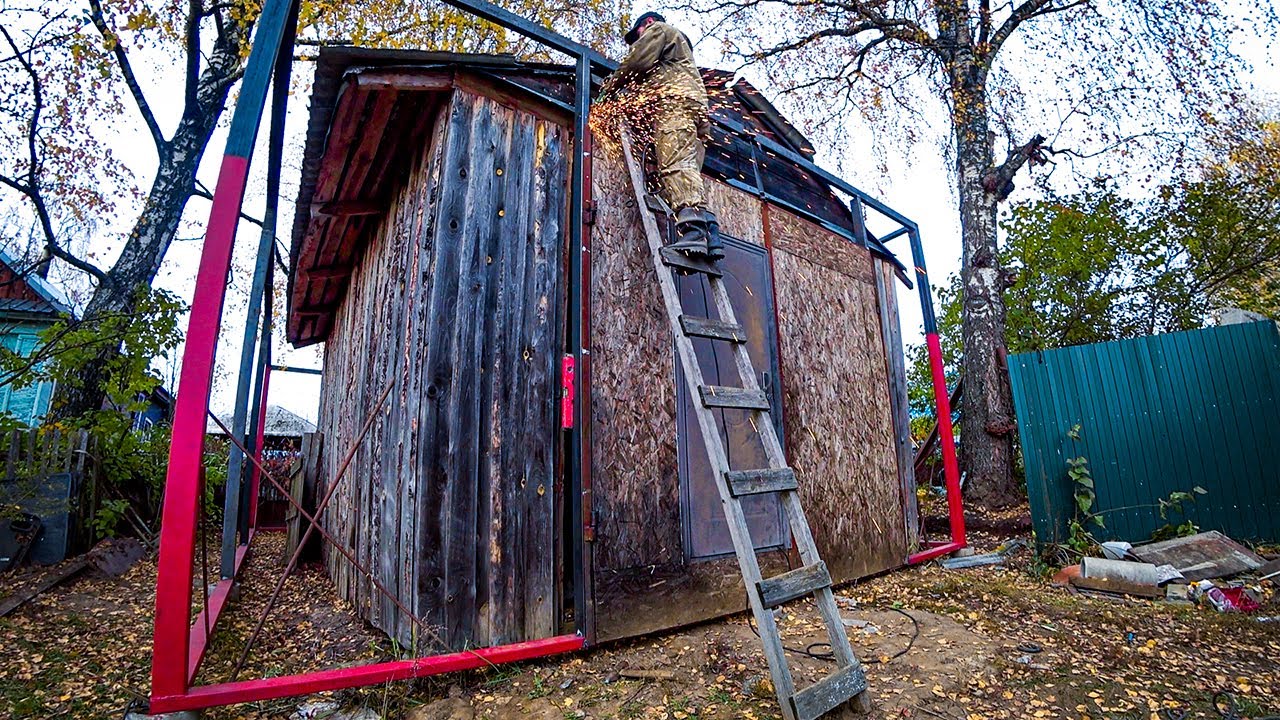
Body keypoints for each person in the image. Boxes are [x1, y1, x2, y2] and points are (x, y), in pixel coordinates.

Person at [599, 12, 722, 260]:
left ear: (647, 24)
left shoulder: (659, 30)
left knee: (676, 165)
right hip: (695, 111)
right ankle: (711, 234)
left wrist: (610, 87)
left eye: (637, 36)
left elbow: (636, 62)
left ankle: (694, 233)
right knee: (689, 170)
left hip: (674, 103)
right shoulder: (680, 56)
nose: (637, 42)